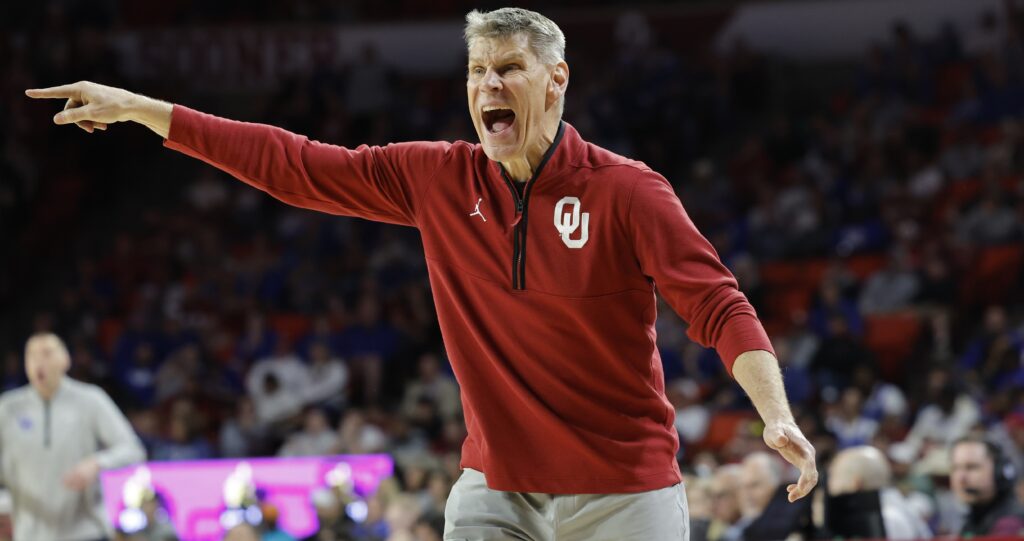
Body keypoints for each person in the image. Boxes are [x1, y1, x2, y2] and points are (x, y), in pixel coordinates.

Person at [25, 7, 817, 539]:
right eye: (477, 72)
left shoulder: (629, 192)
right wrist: (142, 109)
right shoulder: (438, 177)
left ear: (557, 79)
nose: (488, 87)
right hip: (496, 485)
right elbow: (293, 163)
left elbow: (717, 305)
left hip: (621, 489)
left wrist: (774, 412)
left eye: (508, 69)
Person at [0, 332, 146, 541]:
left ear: (65, 359)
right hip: (30, 534)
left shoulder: (90, 400)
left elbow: (133, 450)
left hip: (85, 532)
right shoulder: (8, 408)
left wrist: (97, 463)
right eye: (31, 355)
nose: (39, 361)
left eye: (47, 353)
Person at [827, 445, 932, 540]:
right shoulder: (890, 508)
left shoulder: (889, 519)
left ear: (856, 484)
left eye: (833, 477)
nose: (830, 485)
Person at [950, 436, 1024, 537]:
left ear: (999, 472)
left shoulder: (1009, 525)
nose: (961, 478)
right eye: (956, 468)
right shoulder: (973, 521)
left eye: (972, 467)